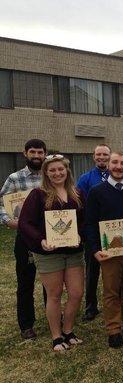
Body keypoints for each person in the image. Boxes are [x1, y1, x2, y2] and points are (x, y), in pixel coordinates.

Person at [18, 154, 85, 351]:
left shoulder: (77, 193)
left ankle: (68, 330)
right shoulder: (38, 194)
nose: (57, 173)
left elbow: (84, 220)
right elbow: (25, 223)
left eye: (60, 169)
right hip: (49, 253)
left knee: (76, 293)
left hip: (73, 252)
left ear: (67, 171)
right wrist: (41, 240)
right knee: (54, 294)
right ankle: (56, 337)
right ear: (46, 173)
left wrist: (80, 236)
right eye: (52, 170)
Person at [85, 152, 123, 348]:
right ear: (109, 165)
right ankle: (114, 328)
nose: (119, 166)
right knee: (111, 289)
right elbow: (89, 223)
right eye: (115, 162)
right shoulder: (96, 191)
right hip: (108, 248)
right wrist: (95, 249)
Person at [0, 138, 47, 340]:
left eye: (40, 152)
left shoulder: (51, 176)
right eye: (33, 152)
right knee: (25, 281)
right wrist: (7, 221)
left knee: (50, 280)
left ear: (45, 154)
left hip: (48, 235)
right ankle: (26, 324)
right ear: (25, 153)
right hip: (25, 238)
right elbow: (2, 204)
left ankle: (53, 315)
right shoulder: (14, 178)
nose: (36, 156)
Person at [77, 143, 111, 321]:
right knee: (92, 271)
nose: (102, 158)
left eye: (105, 155)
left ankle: (113, 302)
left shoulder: (116, 176)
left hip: (113, 231)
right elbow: (79, 203)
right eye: (99, 155)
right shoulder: (85, 178)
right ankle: (91, 306)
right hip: (93, 231)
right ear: (93, 156)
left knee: (112, 271)